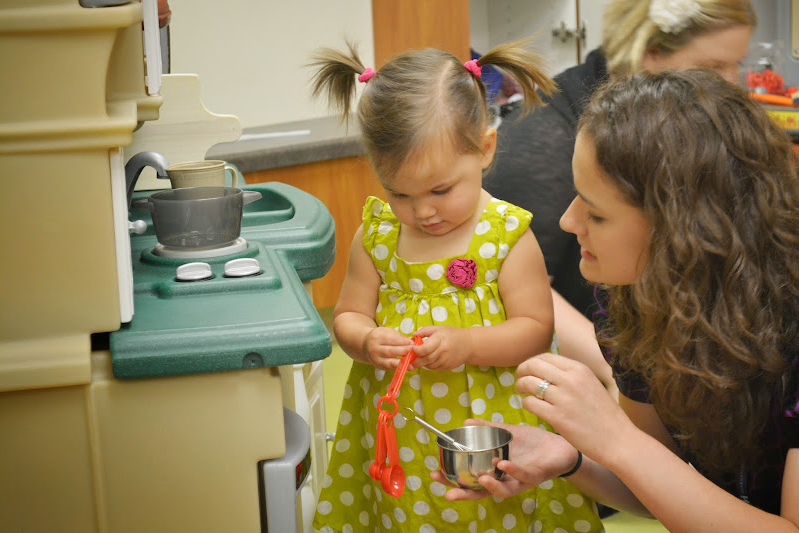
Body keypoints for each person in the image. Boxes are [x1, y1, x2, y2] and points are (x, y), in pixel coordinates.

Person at [432, 68, 799, 530]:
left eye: (597, 214)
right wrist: (570, 459)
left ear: (685, 230)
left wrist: (617, 439)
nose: (568, 222)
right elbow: (659, 483)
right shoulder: (639, 303)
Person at [308, 39, 604, 533]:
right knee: (407, 514)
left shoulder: (505, 236)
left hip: (495, 426)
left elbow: (535, 329)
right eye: (399, 193)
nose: (423, 211)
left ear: (485, 149)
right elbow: (348, 316)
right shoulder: (377, 236)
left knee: (498, 514)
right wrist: (365, 339)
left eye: (440, 189)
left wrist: (468, 344)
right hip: (401, 429)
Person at [484, 0, 757, 320]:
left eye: (737, 64)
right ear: (649, 52)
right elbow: (509, 287)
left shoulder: (680, 126)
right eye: (712, 67)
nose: (732, 83)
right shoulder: (544, 136)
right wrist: (603, 350)